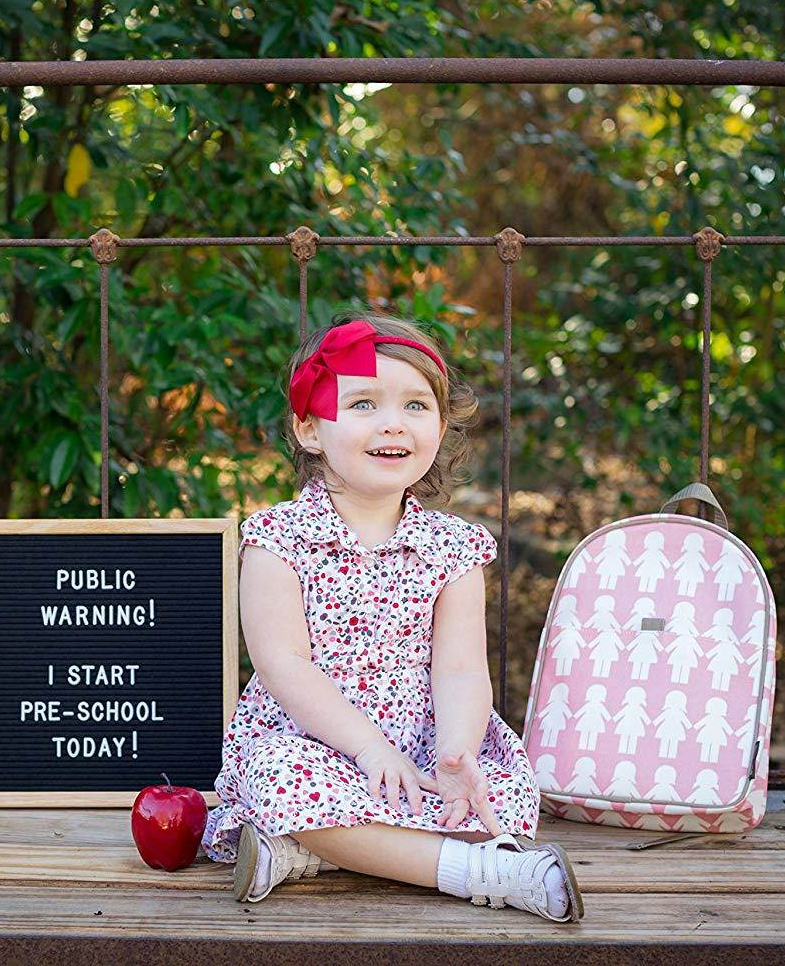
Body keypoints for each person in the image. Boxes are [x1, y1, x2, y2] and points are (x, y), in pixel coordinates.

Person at [199, 312, 584, 922]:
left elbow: (459, 669)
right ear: (308, 431)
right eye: (362, 405)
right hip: (317, 739)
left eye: (414, 404)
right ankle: (478, 873)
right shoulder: (278, 539)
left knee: (500, 793)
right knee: (281, 778)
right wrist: (370, 749)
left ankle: (310, 854)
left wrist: (455, 753)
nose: (392, 423)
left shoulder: (453, 547)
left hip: (421, 741)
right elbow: (284, 666)